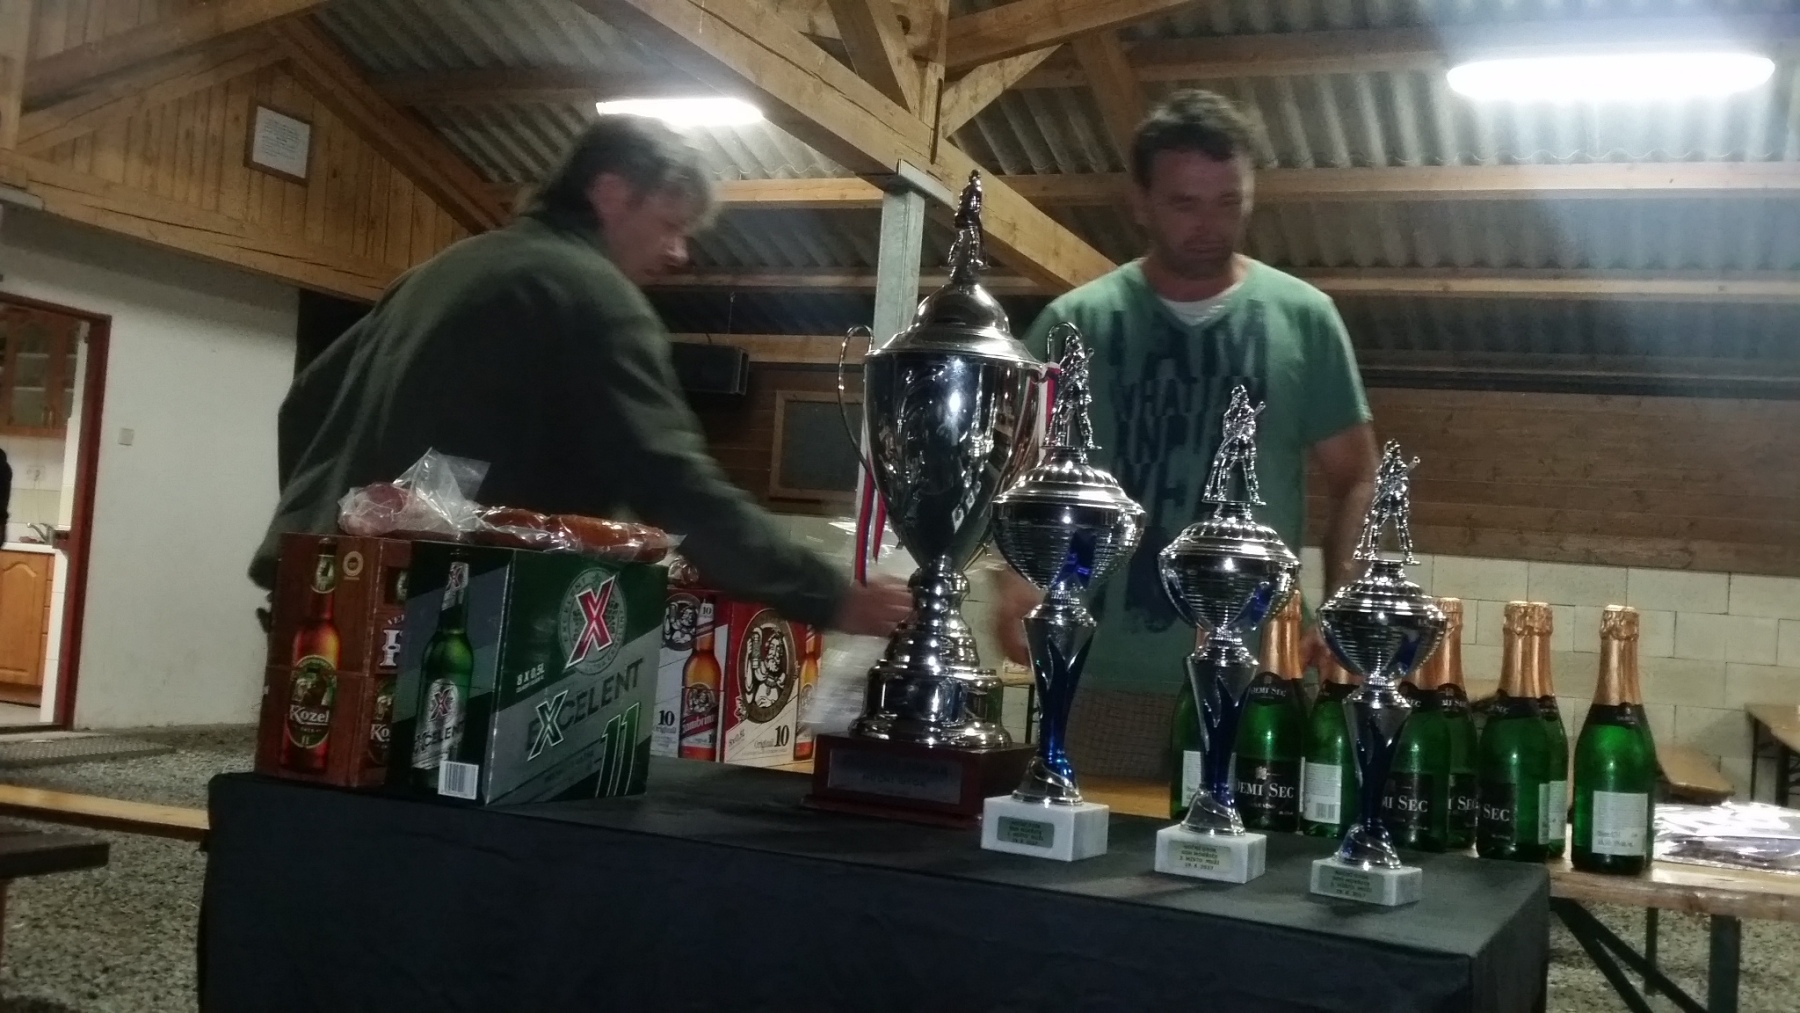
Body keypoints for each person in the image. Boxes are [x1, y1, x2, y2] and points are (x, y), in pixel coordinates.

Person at [250, 116, 909, 636]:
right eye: (670, 225)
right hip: (449, 621)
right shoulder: (589, 292)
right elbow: (673, 482)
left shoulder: (438, 272)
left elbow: (304, 406)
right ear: (612, 192)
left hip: (326, 599)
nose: (679, 253)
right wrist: (831, 597)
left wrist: (338, 539)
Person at [996, 89, 1378, 769]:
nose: (1210, 225)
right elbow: (1011, 471)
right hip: (1099, 676)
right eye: (1185, 204)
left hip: (1261, 680)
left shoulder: (1306, 320)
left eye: (1229, 202)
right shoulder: (1073, 324)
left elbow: (1358, 477)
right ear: (1139, 203)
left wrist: (1344, 597)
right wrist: (1016, 576)